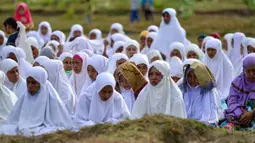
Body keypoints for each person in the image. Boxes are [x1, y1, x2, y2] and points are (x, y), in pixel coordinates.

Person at [0, 67, 75, 136]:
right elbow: (14, 120)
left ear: (41, 83)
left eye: (33, 83)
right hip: (24, 127)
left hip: (43, 128)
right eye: (28, 82)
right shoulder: (24, 96)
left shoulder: (51, 98)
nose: (30, 86)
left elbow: (59, 122)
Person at [179, 61, 219, 126]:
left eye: (196, 76)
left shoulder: (209, 92)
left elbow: (212, 117)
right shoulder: (182, 90)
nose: (192, 80)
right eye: (189, 76)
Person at [224, 54, 255, 131]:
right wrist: (241, 114)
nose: (251, 74)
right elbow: (231, 102)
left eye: (254, 71)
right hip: (239, 115)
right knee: (232, 120)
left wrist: (252, 113)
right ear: (244, 70)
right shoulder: (237, 82)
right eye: (248, 71)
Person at [203, 38, 234, 103]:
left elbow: (228, 84)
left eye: (213, 50)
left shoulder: (227, 65)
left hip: (225, 97)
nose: (210, 52)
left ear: (218, 50)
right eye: (208, 50)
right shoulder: (203, 62)